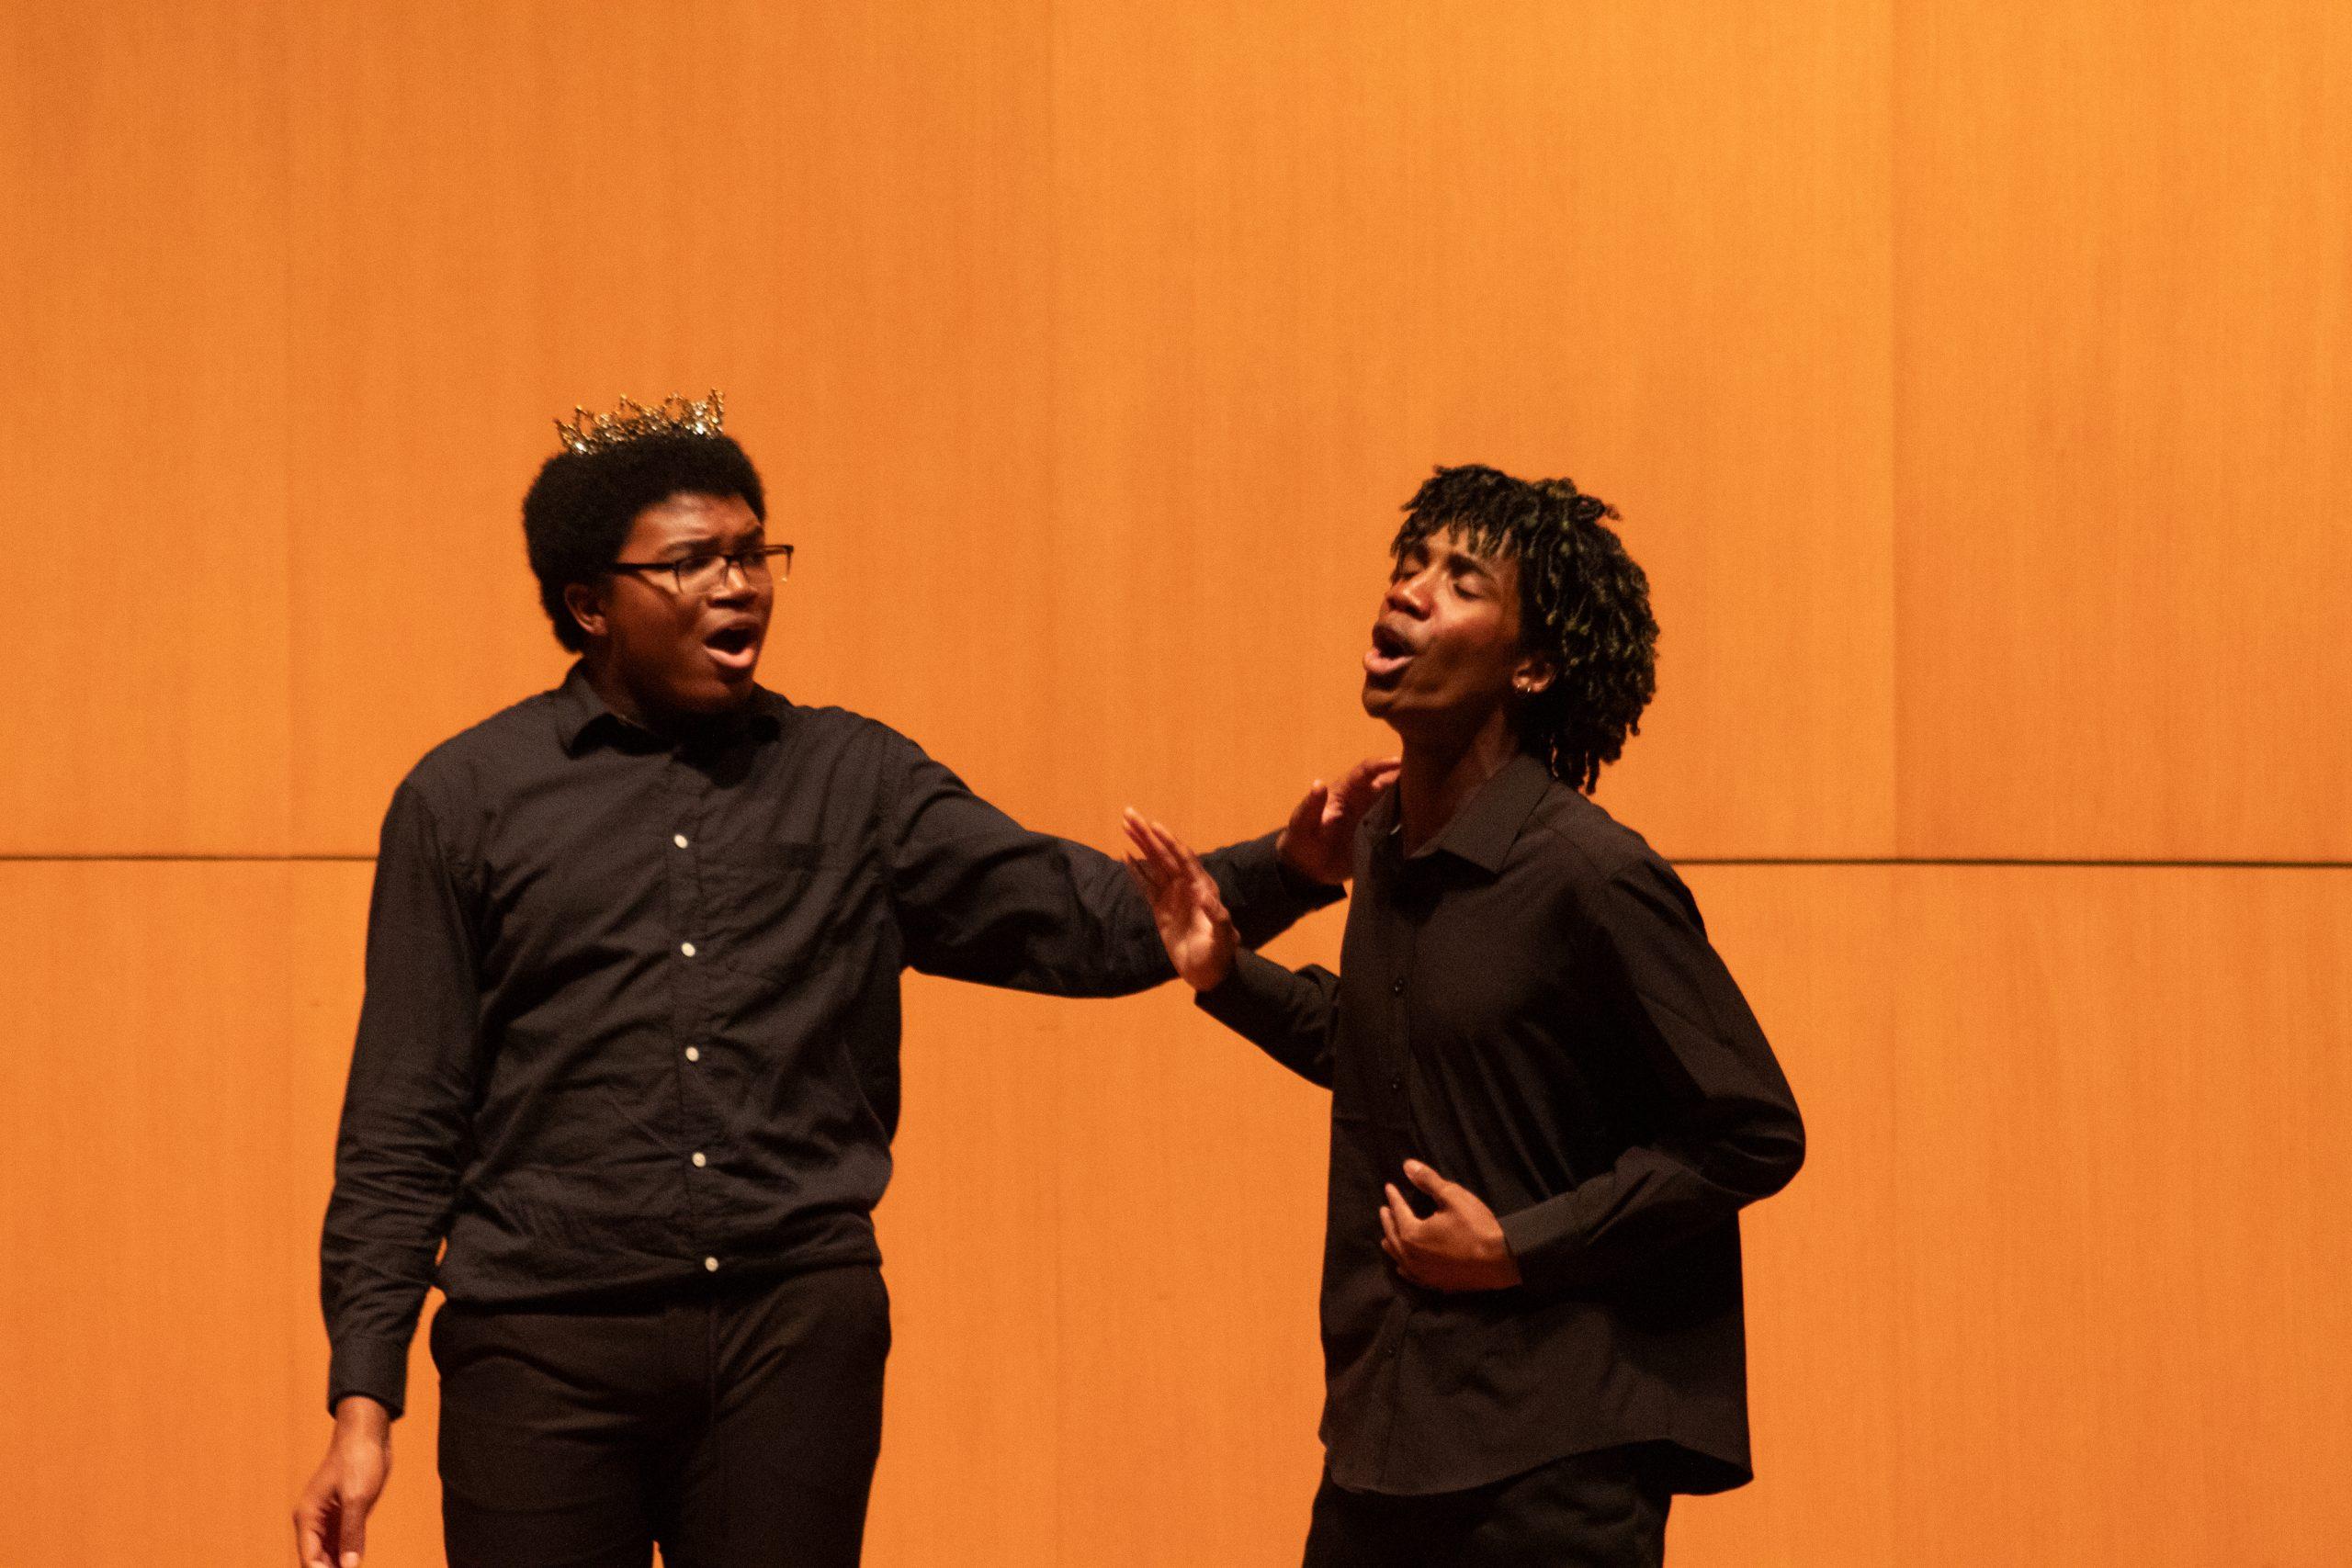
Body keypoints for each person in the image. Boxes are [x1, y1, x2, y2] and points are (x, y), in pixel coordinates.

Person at [291, 393, 1387, 1568]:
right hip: (539, 1342)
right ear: (587, 605)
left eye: (753, 552)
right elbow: (403, 1118)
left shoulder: (853, 778)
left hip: (789, 1330)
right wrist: (365, 1404)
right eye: (691, 562)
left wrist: (1283, 871)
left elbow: (1076, 920)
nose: (739, 584)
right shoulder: (465, 801)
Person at [1124, 464, 1805, 1567]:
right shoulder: (1388, 845)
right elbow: (1394, 1054)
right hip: (1390, 1430)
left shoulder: (1592, 875)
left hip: (1557, 1454)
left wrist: (1517, 1248)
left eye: (1460, 579)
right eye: (1407, 566)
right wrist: (1223, 972)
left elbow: (1751, 1130)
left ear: (1531, 665)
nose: (1409, 591)